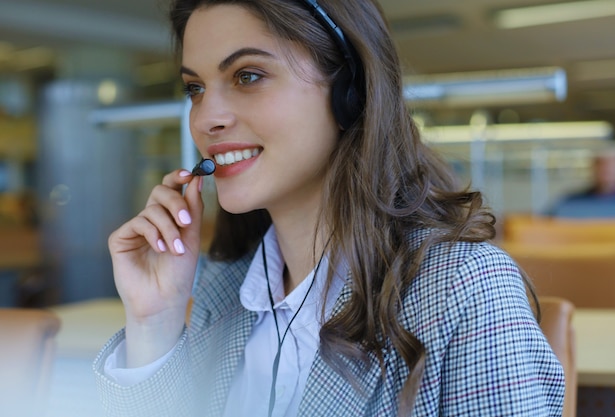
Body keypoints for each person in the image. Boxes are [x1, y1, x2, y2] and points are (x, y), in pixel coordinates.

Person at [93, 0, 565, 416]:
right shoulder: (224, 285)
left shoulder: (463, 291)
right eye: (195, 88)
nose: (206, 118)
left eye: (248, 76)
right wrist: (153, 324)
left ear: (349, 92)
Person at [550, 146, 615, 218]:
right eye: (600, 164)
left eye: (613, 164)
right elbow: (544, 223)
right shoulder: (571, 202)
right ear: (592, 167)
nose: (606, 169)